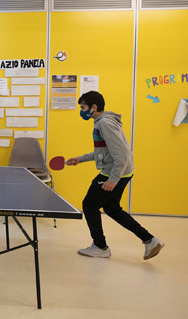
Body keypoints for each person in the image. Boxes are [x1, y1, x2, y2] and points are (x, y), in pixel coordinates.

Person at [67, 91, 164, 260]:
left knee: (89, 205)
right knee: (111, 208)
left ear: (94, 107)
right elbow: (104, 152)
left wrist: (112, 179)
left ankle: (100, 246)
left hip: (114, 172)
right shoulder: (104, 121)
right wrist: (80, 159)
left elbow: (122, 154)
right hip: (124, 172)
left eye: (83, 107)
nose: (81, 111)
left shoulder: (104, 123)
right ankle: (150, 240)